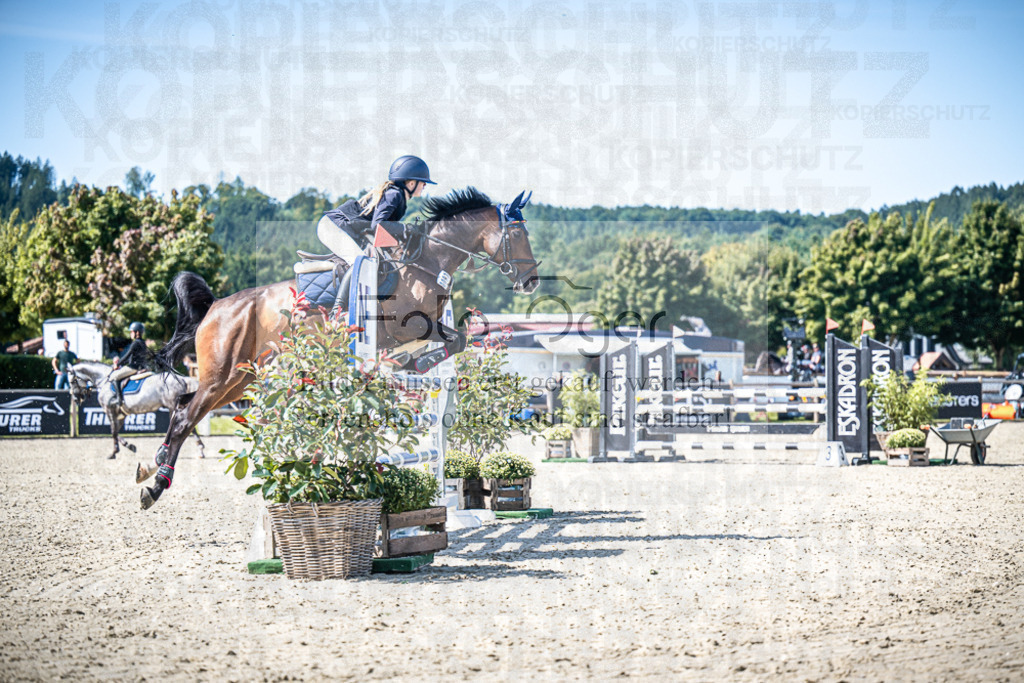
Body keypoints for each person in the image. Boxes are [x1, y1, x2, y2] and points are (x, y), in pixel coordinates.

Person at [317, 155, 435, 265]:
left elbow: (381, 230)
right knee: (364, 265)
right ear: (411, 183)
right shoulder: (394, 194)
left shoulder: (397, 197)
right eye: (423, 182)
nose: (425, 185)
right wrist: (405, 228)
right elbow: (378, 225)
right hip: (333, 227)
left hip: (340, 227)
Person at [110, 322, 149, 409]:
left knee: (114, 377)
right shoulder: (143, 343)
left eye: (132, 332)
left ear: (137, 333)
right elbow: (130, 357)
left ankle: (119, 399)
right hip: (140, 367)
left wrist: (117, 364)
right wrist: (121, 364)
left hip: (133, 368)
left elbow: (127, 356)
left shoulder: (135, 343)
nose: (130, 334)